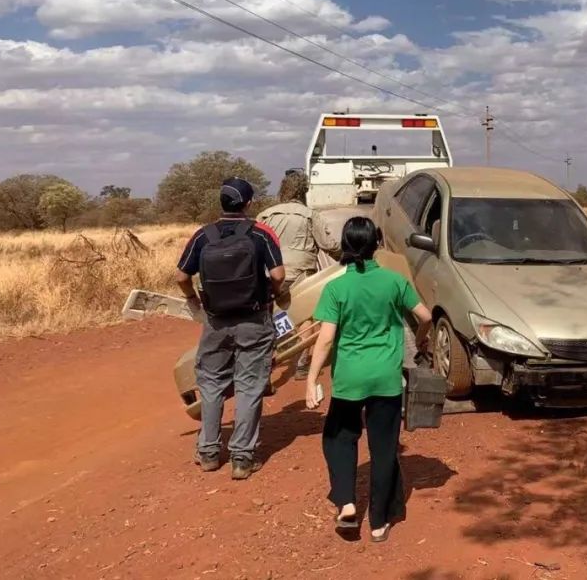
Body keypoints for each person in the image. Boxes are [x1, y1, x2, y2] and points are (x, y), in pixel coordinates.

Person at [304, 216, 432, 542]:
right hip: (385, 379)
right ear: (376, 245)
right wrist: (423, 339)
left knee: (339, 439)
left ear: (345, 247)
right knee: (384, 447)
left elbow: (327, 338)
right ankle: (378, 521)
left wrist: (311, 379)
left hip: (350, 379)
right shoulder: (394, 281)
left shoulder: (336, 288)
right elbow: (425, 316)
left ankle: (347, 504)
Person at [176, 177, 285, 480]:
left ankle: (209, 452)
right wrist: (273, 294)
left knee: (211, 385)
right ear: (249, 203)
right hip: (254, 319)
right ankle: (241, 459)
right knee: (250, 386)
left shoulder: (203, 236)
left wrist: (194, 300)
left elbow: (182, 276)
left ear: (221, 203)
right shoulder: (261, 234)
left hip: (215, 321)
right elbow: (278, 274)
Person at [256, 170, 342, 379]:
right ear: (303, 190)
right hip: (302, 273)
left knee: (271, 317)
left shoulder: (265, 215)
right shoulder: (310, 214)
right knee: (306, 316)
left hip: (270, 272)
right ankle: (303, 361)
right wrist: (346, 255)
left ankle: (267, 363)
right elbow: (328, 245)